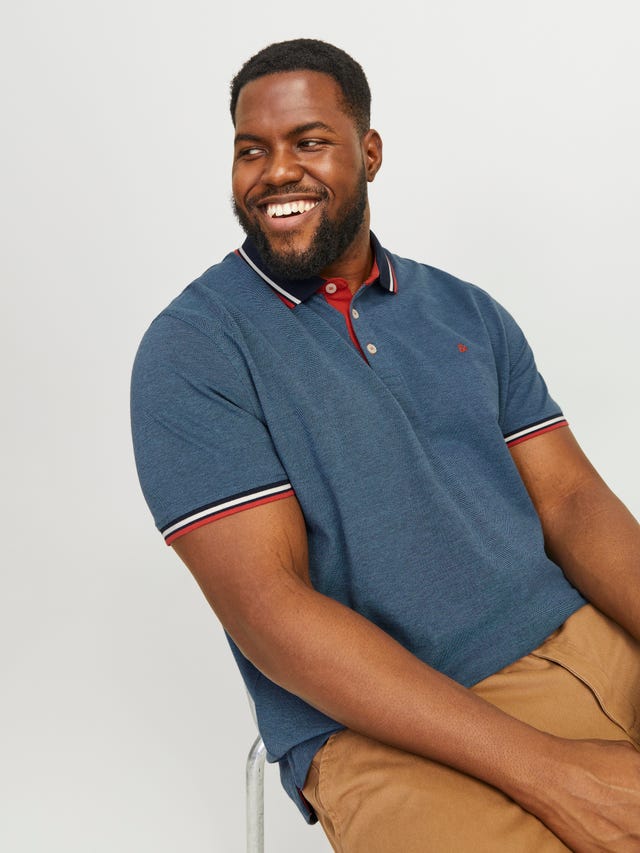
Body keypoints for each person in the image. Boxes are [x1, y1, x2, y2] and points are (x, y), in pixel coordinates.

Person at [130, 38, 640, 852]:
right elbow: (271, 609)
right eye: (251, 150)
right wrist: (551, 771)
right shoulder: (194, 350)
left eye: (308, 141)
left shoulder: (466, 310)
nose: (276, 171)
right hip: (385, 725)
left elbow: (573, 500)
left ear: (368, 153)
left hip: (585, 640)